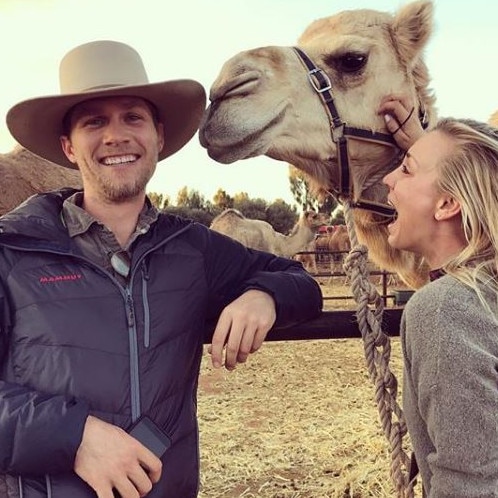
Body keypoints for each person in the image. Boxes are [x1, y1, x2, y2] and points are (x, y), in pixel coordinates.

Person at [0, 40, 323, 498]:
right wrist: (74, 438)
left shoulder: (191, 249)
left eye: (133, 117)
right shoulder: (12, 250)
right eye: (95, 122)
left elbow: (301, 282)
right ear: (69, 147)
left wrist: (263, 295)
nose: (116, 136)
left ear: (158, 136)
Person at [380, 100, 498, 496]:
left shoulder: (446, 309)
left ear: (448, 204)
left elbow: (472, 486)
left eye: (406, 168)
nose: (387, 179)